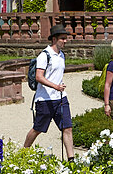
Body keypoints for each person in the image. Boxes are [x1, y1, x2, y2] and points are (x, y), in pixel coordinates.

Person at [23, 24, 75, 161]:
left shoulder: (62, 55)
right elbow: (39, 77)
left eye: (66, 38)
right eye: (62, 38)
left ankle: (71, 160)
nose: (65, 41)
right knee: (38, 129)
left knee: (67, 128)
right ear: (54, 39)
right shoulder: (44, 55)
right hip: (45, 99)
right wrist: (55, 86)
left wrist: (59, 89)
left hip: (61, 98)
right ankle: (24, 152)